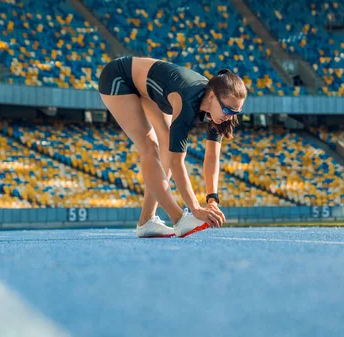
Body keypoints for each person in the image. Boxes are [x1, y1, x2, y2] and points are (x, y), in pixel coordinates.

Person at [98, 57, 247, 238]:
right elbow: (177, 163)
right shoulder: (187, 101)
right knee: (150, 147)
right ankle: (178, 218)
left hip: (147, 86)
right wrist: (195, 209)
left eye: (235, 113)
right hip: (118, 77)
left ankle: (146, 221)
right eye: (228, 110)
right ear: (211, 96)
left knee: (166, 144)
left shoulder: (218, 109)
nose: (230, 117)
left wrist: (212, 200)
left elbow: (212, 157)